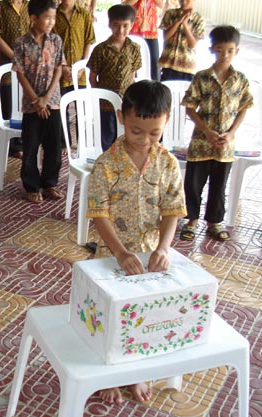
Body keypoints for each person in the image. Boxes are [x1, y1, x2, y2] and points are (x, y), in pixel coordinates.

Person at [87, 80, 186, 403]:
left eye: (154, 133)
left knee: (146, 316)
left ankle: (136, 372)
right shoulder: (107, 164)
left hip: (149, 258)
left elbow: (172, 210)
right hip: (111, 255)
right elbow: (98, 214)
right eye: (136, 131)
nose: (145, 140)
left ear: (166, 122)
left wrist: (163, 247)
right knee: (111, 315)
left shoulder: (167, 163)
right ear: (121, 118)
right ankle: (110, 373)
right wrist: (120, 252)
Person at [179, 26, 253, 242]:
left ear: (237, 51)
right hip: (201, 143)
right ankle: (191, 220)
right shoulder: (202, 78)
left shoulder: (240, 80)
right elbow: (190, 107)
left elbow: (244, 108)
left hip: (225, 146)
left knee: (219, 185)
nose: (225, 55)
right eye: (220, 50)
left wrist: (231, 133)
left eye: (230, 50)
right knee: (193, 183)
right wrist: (207, 131)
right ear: (212, 49)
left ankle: (214, 221)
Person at [14, 0, 65, 204]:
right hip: (31, 104)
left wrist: (46, 98)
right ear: (34, 18)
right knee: (31, 146)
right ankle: (31, 186)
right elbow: (20, 74)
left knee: (54, 146)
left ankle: (49, 183)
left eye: (54, 17)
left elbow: (59, 69)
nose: (51, 21)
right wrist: (36, 100)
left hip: (52, 102)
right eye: (47, 17)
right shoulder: (22, 43)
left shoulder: (56, 40)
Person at [87, 4, 141, 150]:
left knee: (124, 136)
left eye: (125, 26)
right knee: (106, 136)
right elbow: (93, 77)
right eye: (116, 25)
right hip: (105, 105)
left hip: (126, 103)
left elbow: (132, 75)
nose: (121, 30)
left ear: (132, 25)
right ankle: (107, 166)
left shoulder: (134, 48)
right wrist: (100, 95)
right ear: (110, 24)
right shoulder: (101, 49)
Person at [0, 0, 30, 159]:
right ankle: (5, 146)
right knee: (8, 107)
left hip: (28, 68)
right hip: (8, 68)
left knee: (24, 107)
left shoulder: (30, 5)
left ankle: (20, 144)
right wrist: (14, 56)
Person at [53, 0, 95, 95]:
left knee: (81, 106)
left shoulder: (84, 14)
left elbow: (88, 40)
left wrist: (82, 66)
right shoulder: (53, 15)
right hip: (60, 72)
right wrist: (62, 67)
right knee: (61, 106)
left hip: (80, 73)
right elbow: (51, 45)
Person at [158, 0, 204, 81]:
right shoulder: (170, 14)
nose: (184, 2)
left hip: (187, 66)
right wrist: (179, 21)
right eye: (181, 0)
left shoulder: (198, 19)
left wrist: (185, 24)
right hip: (168, 63)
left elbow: (192, 44)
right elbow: (165, 37)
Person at [122, 0, 163, 81]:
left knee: (154, 62)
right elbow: (124, 4)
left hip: (151, 32)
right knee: (133, 62)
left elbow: (161, 4)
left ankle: (156, 88)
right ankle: (133, 87)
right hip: (134, 31)